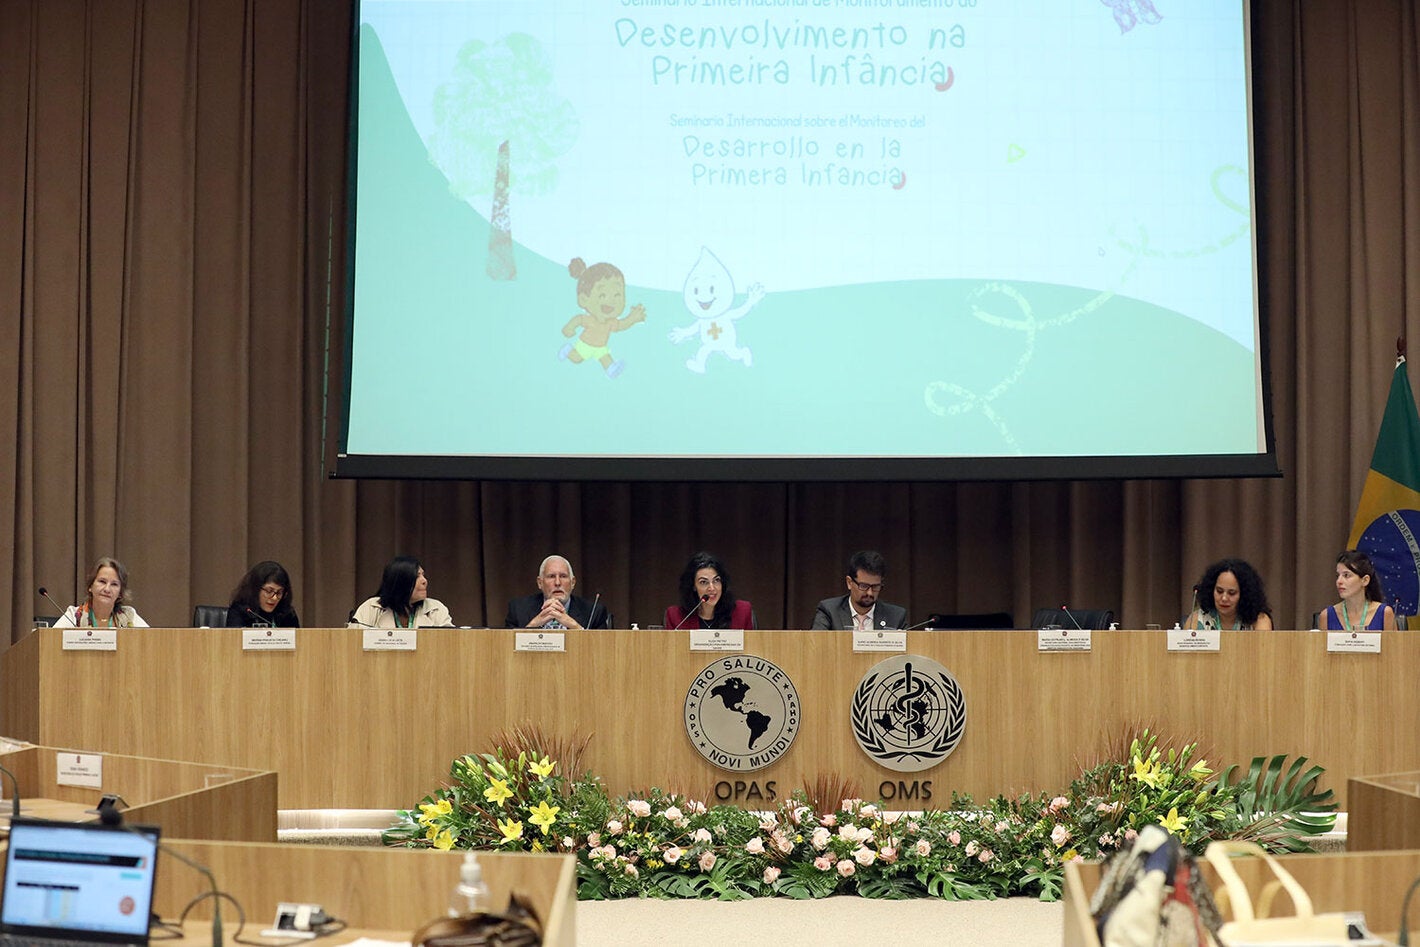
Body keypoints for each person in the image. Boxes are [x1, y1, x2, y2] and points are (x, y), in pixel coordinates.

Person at [505, 555, 612, 629]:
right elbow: (507, 648)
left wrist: (574, 626)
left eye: (563, 576)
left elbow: (601, 651)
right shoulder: (518, 609)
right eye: (551, 576)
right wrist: (533, 625)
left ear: (573, 582)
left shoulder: (594, 612)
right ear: (540, 583)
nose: (557, 582)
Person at [811, 550, 908, 630]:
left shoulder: (896, 616)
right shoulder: (829, 611)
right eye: (864, 586)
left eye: (875, 587)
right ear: (849, 582)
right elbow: (816, 646)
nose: (869, 593)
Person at [349, 556, 454, 628]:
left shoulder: (436, 609)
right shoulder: (371, 608)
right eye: (417, 576)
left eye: (423, 575)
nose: (424, 581)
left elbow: (450, 643)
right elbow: (352, 643)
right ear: (400, 582)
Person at [663, 551, 755, 630]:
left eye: (716, 580)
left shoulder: (742, 612)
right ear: (693, 586)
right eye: (703, 582)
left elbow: (752, 648)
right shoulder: (676, 617)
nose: (712, 588)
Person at [55, 557, 148, 628]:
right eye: (102, 582)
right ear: (90, 586)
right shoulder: (73, 616)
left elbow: (152, 643)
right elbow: (51, 642)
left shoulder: (129, 616)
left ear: (120, 592)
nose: (107, 589)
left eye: (114, 584)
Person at [1183, 558, 1274, 630]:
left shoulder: (1259, 620)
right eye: (1219, 591)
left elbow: (1264, 651)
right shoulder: (1196, 620)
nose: (1224, 598)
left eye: (1231, 593)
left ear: (1244, 595)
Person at [1318, 549, 1398, 630]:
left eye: (1346, 575)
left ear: (1365, 580)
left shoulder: (1384, 613)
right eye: (1338, 576)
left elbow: (1393, 642)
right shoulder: (1326, 616)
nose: (1339, 581)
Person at [227, 560, 301, 628]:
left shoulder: (286, 613)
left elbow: (298, 640)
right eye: (269, 591)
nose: (274, 598)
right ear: (256, 589)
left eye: (279, 592)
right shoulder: (241, 610)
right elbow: (234, 639)